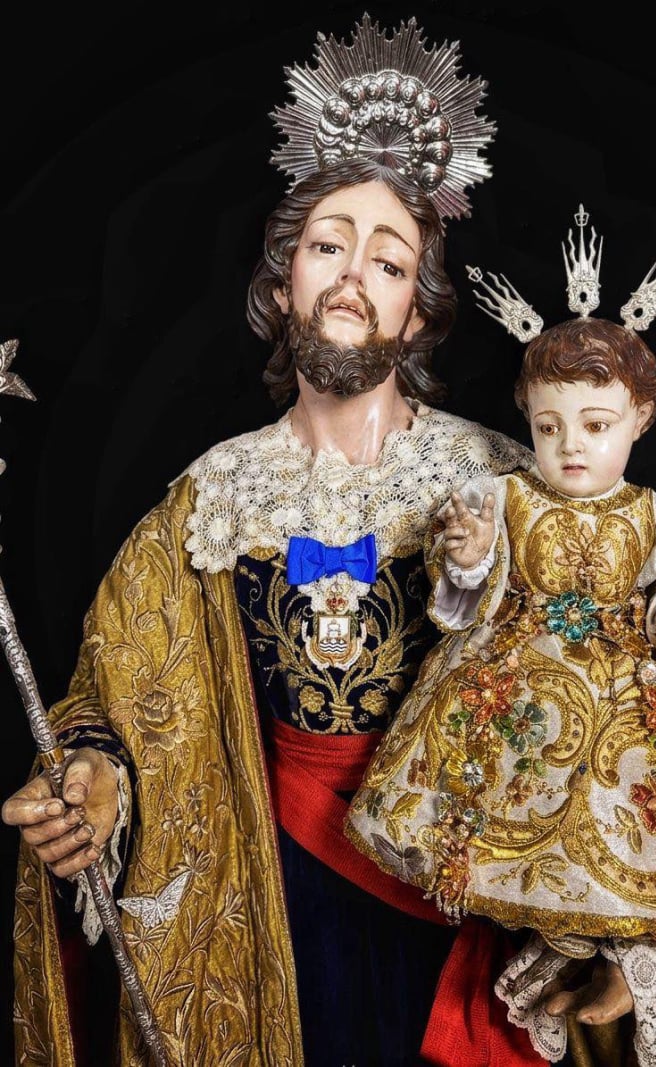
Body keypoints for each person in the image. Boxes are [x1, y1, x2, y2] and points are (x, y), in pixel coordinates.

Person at [1, 15, 551, 1067]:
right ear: (283, 278)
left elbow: (601, 692)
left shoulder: (505, 484)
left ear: (417, 310)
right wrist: (95, 784)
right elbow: (115, 697)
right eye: (327, 246)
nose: (352, 277)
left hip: (461, 908)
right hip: (268, 908)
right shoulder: (210, 502)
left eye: (388, 261)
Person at [346, 212, 656, 1066]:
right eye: (550, 426)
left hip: (626, 687)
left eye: (596, 425)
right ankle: (561, 949)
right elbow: (464, 585)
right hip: (517, 681)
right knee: (509, 802)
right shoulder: (506, 496)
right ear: (527, 418)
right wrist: (468, 553)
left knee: (640, 803)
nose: (571, 446)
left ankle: (624, 960)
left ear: (641, 417)